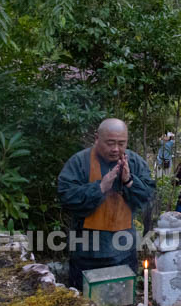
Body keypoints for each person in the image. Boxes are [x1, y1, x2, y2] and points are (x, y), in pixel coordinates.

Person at [57, 118, 155, 290]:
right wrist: (100, 188)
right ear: (97, 138)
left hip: (124, 251)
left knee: (122, 304)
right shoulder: (80, 162)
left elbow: (148, 196)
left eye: (121, 143)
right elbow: (66, 196)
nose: (116, 149)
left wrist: (129, 181)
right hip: (87, 252)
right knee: (86, 305)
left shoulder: (134, 163)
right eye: (110, 143)